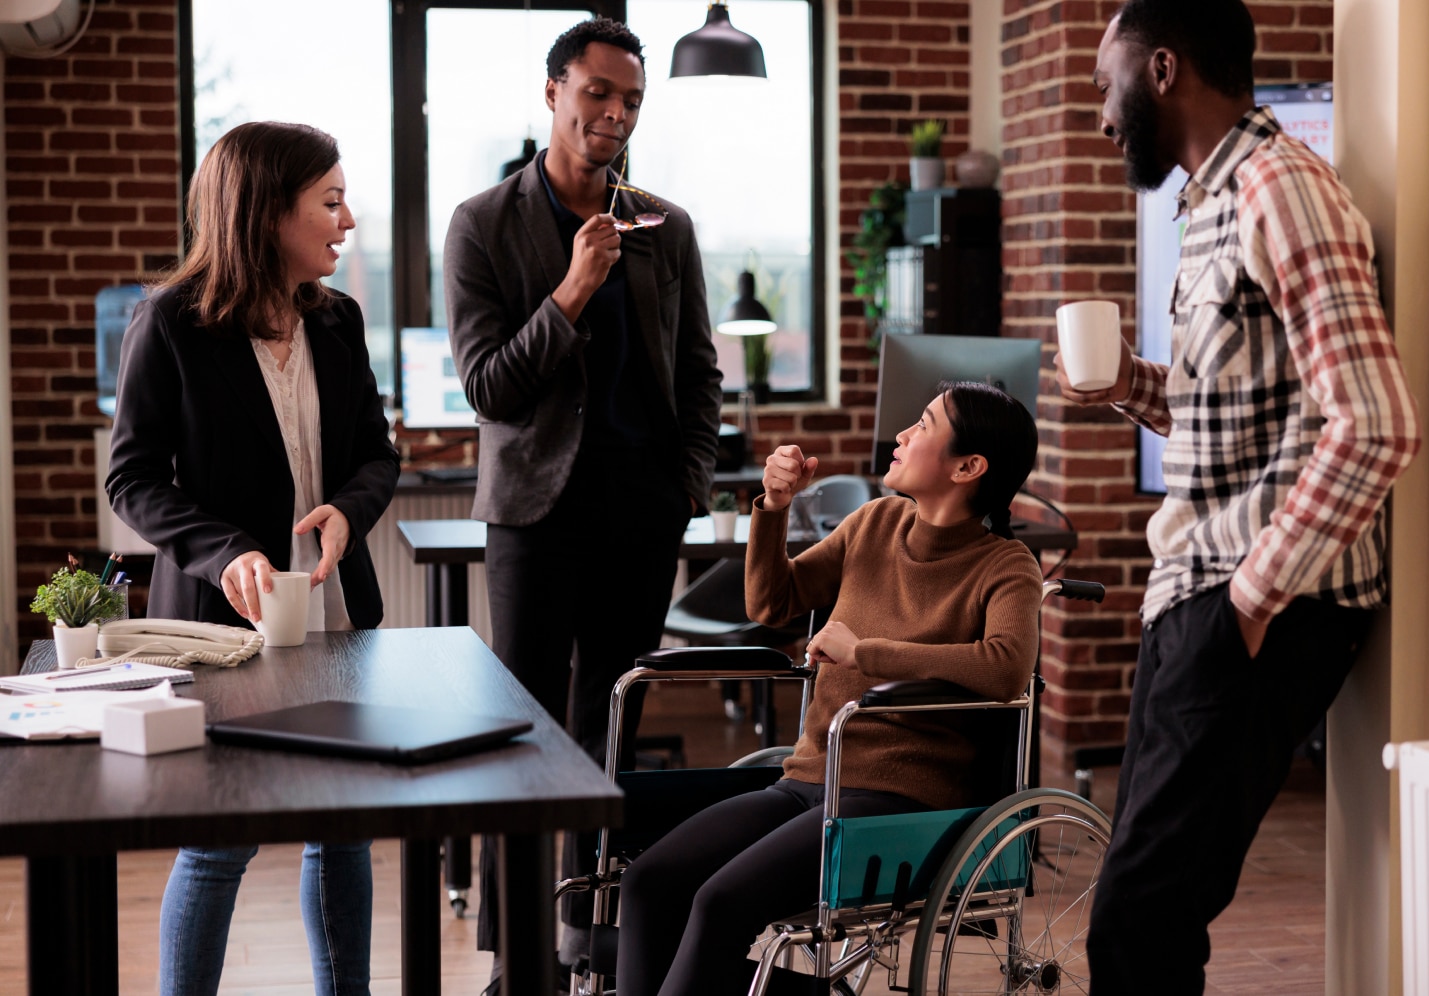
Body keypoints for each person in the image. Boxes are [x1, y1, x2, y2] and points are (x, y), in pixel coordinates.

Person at [1065, 2, 1423, 992]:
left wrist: (1249, 602)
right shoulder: (1209, 203)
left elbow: (1376, 421)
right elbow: (1244, 424)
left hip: (1253, 600)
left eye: (1107, 85)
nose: (1102, 115)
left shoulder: (1280, 191)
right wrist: (1128, 388)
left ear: (1165, 70)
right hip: (1198, 591)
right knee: (1140, 915)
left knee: (1139, 923)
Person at [441, 15, 723, 983]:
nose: (614, 114)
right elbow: (487, 387)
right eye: (598, 93)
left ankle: (587, 936)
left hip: (643, 515)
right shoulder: (483, 224)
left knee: (611, 736)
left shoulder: (665, 225)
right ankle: (516, 956)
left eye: (632, 100)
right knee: (522, 738)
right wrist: (569, 293)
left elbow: (697, 373)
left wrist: (687, 485)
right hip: (534, 516)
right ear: (553, 93)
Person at [615, 381, 1044, 996]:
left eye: (922, 425)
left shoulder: (1006, 567)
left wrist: (864, 652)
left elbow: (1005, 666)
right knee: (649, 881)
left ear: (969, 467)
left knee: (719, 902)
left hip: (898, 798)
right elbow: (771, 599)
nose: (901, 435)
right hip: (809, 779)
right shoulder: (872, 523)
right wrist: (774, 504)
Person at [106, 121, 399, 996]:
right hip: (219, 631)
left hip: (335, 619)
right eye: (331, 202)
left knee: (343, 828)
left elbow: (377, 456)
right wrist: (226, 548)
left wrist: (350, 513)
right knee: (220, 841)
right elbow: (132, 479)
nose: (346, 221)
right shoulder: (169, 324)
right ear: (270, 212)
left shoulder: (339, 322)